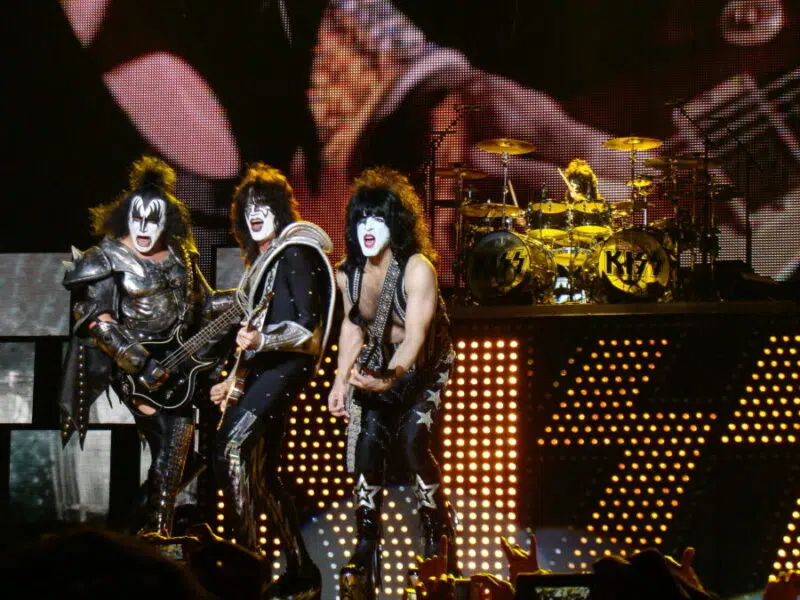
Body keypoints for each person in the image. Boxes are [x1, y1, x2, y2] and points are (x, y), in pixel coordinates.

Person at [59, 156, 225, 539]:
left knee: (183, 454)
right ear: (126, 217)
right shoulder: (107, 257)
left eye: (154, 219)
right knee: (175, 441)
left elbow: (204, 303)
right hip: (134, 371)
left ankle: (136, 531)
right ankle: (156, 534)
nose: (145, 227)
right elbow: (99, 321)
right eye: (138, 218)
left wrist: (246, 298)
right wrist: (141, 363)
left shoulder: (181, 254)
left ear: (168, 220)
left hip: (180, 367)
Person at [328, 167, 459, 600]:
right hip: (381, 363)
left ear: (396, 223)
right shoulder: (348, 273)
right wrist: (340, 381)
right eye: (361, 219)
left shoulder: (417, 268)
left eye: (378, 219)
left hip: (425, 365)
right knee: (368, 443)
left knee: (412, 439)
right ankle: (366, 542)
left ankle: (438, 539)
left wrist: (390, 377)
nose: (368, 228)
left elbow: (416, 338)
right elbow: (353, 327)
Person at [208, 163, 336, 600]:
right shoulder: (266, 262)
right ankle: (301, 572)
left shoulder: (295, 252)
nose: (254, 213)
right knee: (262, 474)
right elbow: (257, 334)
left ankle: (247, 568)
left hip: (285, 369)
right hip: (267, 371)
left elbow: (307, 331)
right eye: (248, 208)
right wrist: (233, 381)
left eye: (263, 205)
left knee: (229, 447)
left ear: (280, 209)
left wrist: (263, 339)